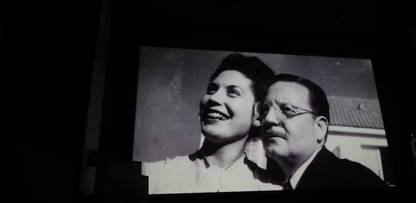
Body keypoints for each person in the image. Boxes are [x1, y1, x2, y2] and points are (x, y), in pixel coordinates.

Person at [142, 53, 282, 194]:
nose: (213, 98)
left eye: (233, 92)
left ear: (258, 115)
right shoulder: (153, 176)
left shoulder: (270, 188)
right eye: (211, 90)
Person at [259, 74, 387, 190]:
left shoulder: (356, 180)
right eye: (264, 111)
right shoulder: (276, 183)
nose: (268, 119)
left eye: (286, 109)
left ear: (320, 128)